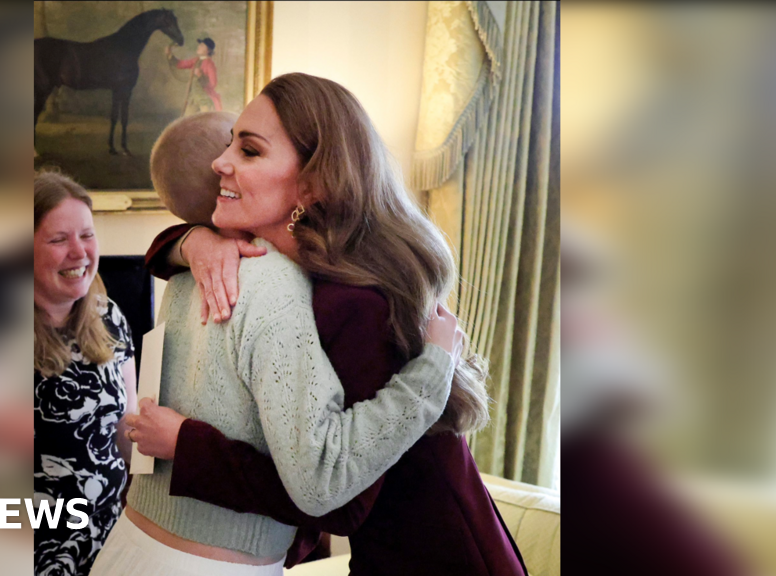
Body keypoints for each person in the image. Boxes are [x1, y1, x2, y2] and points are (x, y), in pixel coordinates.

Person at [127, 73, 528, 575]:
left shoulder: (353, 303)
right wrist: (191, 242)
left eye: (249, 151)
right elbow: (159, 254)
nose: (220, 162)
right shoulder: (298, 277)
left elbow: (340, 501)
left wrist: (186, 445)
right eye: (229, 144)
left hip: (442, 560)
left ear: (313, 184)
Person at [34, 169, 138, 576]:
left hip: (108, 540)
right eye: (59, 240)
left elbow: (127, 427)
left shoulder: (108, 316)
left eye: (87, 235)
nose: (79, 253)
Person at [166, 37, 222, 113]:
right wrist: (170, 55)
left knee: (205, 121)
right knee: (187, 121)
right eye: (199, 45)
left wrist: (201, 76)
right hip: (193, 98)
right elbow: (180, 64)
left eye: (202, 46)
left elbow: (213, 84)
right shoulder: (196, 60)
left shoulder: (210, 64)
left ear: (208, 50)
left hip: (204, 99)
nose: (199, 47)